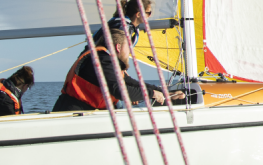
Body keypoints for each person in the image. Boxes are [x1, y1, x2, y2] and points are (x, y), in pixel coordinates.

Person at [53, 29, 181, 112]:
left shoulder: (104, 60)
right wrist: (151, 94)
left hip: (79, 111)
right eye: (128, 48)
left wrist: (163, 92)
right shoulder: (102, 60)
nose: (129, 53)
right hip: (73, 113)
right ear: (118, 47)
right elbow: (119, 90)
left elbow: (130, 83)